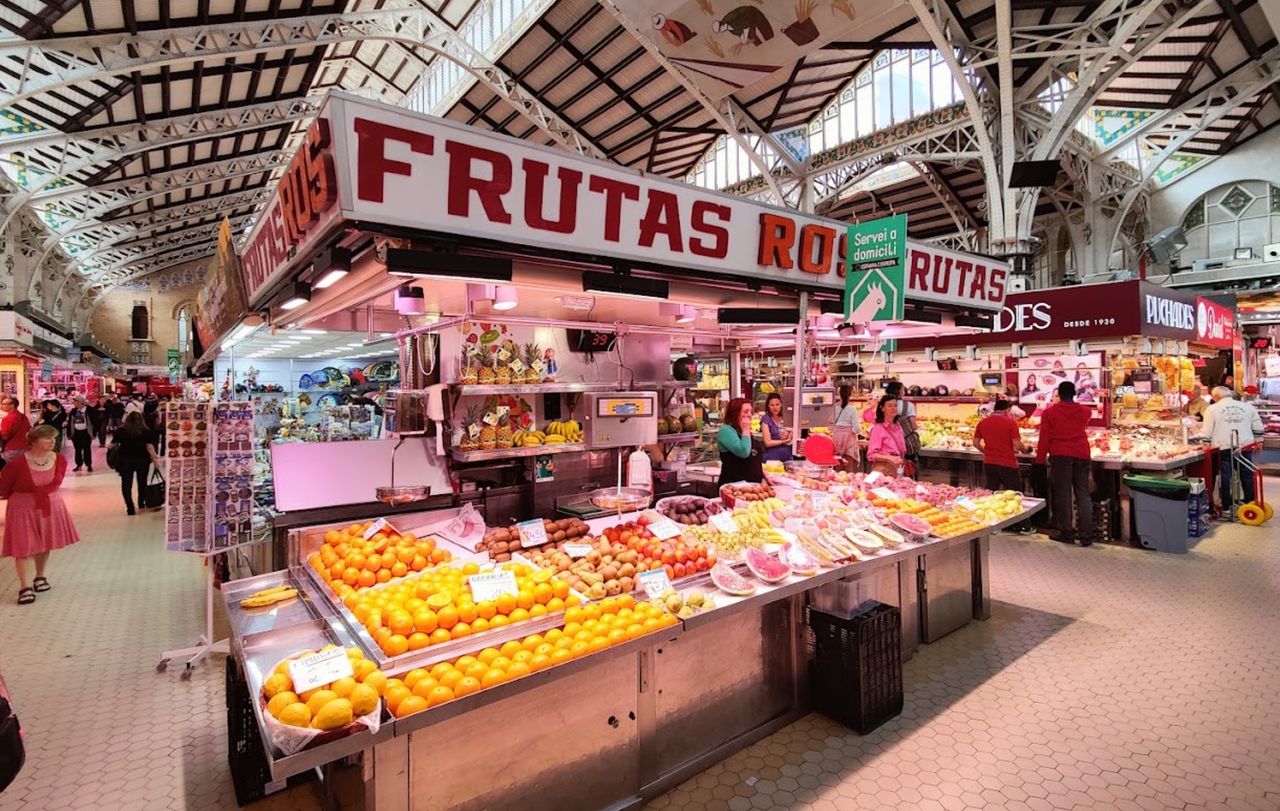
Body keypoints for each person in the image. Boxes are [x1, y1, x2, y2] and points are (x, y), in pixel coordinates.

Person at [0, 425, 80, 605]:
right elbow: (4, 487)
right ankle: (24, 586)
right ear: (34, 441)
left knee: (45, 542)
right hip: (22, 507)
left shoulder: (59, 459)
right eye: (47, 438)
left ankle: (40, 576)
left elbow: (56, 482)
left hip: (50, 505)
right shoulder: (17, 463)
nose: (52, 441)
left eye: (54, 438)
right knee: (23, 546)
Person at [1035, 381, 1095, 546]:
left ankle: (1067, 533)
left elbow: (1044, 438)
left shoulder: (1049, 413)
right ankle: (1086, 535)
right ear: (1074, 393)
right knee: (1082, 493)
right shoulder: (1085, 411)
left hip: (1060, 454)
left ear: (1059, 394)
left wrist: (1040, 459)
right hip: (1082, 453)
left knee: (1063, 494)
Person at [1199, 385, 1264, 513]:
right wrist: (1258, 441)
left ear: (1216, 396)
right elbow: (1257, 425)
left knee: (1225, 475)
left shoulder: (1212, 409)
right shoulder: (1247, 407)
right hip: (1244, 446)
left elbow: (1206, 431)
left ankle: (1226, 506)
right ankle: (1250, 503)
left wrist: (1204, 443)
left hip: (1223, 446)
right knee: (1246, 475)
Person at [974, 400, 1031, 534]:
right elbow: (1017, 444)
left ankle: (991, 524)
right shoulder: (1010, 423)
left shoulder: (983, 422)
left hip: (989, 463)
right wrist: (1025, 450)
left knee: (991, 494)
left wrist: (986, 452)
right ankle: (1023, 526)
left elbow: (975, 443)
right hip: (1008, 464)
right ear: (1006, 411)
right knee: (1015, 495)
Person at [110, 411, 161, 515]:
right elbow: (150, 447)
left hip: (125, 461)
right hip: (142, 460)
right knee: (141, 482)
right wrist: (155, 460)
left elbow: (111, 445)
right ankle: (141, 503)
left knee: (126, 484)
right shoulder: (146, 431)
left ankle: (130, 507)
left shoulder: (120, 431)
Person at [717, 397, 763, 486]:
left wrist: (764, 476)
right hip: (733, 487)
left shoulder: (743, 431)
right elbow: (744, 452)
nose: (750, 415)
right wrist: (746, 429)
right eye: (746, 411)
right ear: (735, 413)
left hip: (753, 487)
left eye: (751, 411)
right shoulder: (726, 430)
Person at [884, 381, 919, 477]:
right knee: (906, 469)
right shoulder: (908, 405)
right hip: (905, 443)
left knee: (889, 472)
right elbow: (913, 425)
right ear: (900, 392)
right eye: (903, 390)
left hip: (886, 444)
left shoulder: (883, 405)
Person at [867, 395, 907, 476]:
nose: (893, 408)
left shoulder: (898, 426)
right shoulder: (878, 428)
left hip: (899, 468)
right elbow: (871, 455)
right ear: (882, 408)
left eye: (895, 405)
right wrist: (890, 458)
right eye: (889, 406)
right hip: (884, 469)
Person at [830, 385, 860, 470]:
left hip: (836, 438)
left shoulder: (834, 407)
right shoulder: (852, 409)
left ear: (839, 394)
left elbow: (830, 424)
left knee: (837, 465)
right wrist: (853, 431)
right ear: (850, 394)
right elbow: (857, 428)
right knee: (849, 468)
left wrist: (836, 430)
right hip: (849, 439)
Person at [759, 393, 793, 463]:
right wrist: (784, 441)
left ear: (781, 405)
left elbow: (794, 437)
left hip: (788, 457)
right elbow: (767, 443)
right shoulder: (766, 419)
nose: (775, 408)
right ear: (768, 406)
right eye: (772, 405)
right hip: (772, 458)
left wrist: (789, 436)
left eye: (777, 404)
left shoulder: (788, 417)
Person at [0, 396, 31, 466]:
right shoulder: (23, 417)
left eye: (4, 404)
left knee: (10, 471)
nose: (1, 406)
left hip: (11, 449)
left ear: (12, 405)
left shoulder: (7, 419)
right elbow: (29, 429)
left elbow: (4, 436)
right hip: (24, 448)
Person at [66, 397, 94, 472]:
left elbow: (94, 421)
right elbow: (70, 422)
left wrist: (93, 432)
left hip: (86, 432)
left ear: (80, 402)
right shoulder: (74, 411)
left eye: (75, 401)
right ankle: (79, 464)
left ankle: (88, 464)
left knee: (87, 449)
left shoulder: (89, 410)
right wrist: (69, 433)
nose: (74, 403)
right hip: (76, 433)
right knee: (77, 449)